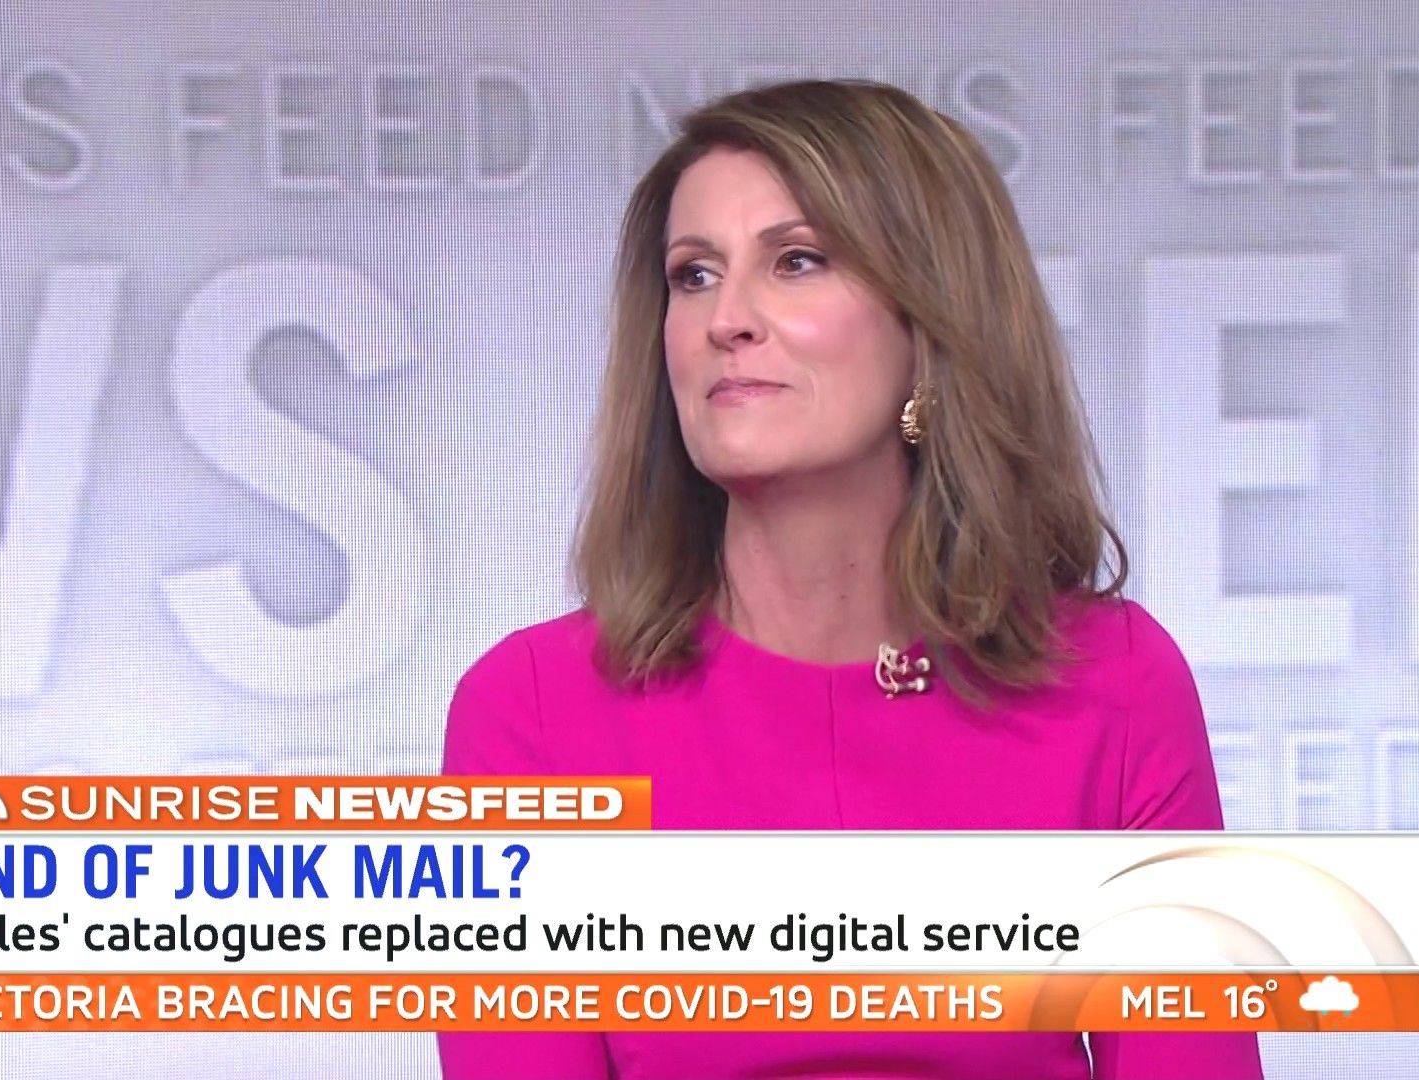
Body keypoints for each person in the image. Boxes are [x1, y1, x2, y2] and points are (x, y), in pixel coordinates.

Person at [441, 78, 1263, 1080]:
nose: (726, 319)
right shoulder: (533, 711)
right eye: (693, 275)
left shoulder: (1114, 682)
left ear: (930, 326)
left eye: (796, 261)